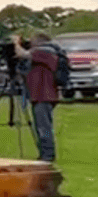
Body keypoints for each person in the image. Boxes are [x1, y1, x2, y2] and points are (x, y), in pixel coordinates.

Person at [13, 31, 60, 162]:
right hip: (40, 95)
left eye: (32, 40)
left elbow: (21, 54)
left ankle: (48, 155)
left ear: (39, 41)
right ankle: (44, 153)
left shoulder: (44, 52)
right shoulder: (42, 54)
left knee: (43, 126)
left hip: (43, 95)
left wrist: (16, 43)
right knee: (41, 125)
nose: (30, 43)